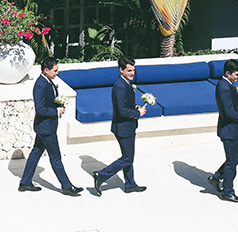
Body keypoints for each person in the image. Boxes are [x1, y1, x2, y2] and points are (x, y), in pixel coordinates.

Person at [18, 58, 84, 196]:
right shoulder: (40, 85)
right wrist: (56, 111)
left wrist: (58, 105)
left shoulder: (48, 82)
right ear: (46, 70)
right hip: (46, 128)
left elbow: (49, 101)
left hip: (45, 127)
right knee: (56, 157)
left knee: (36, 152)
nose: (57, 73)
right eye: (55, 70)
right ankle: (66, 186)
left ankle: (25, 182)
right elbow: (40, 109)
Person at [92, 57, 147, 195]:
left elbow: (123, 105)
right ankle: (101, 175)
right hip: (123, 127)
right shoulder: (120, 86)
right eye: (129, 70)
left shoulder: (125, 83)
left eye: (133, 70)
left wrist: (134, 106)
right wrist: (137, 113)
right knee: (127, 158)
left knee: (128, 156)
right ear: (121, 70)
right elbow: (122, 111)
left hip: (127, 126)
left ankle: (130, 184)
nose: (132, 73)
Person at [208, 58, 238, 202]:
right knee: (232, 162)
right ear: (228, 73)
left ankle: (216, 177)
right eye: (236, 74)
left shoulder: (228, 84)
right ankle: (227, 192)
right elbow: (228, 112)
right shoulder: (223, 87)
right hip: (229, 130)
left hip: (233, 130)